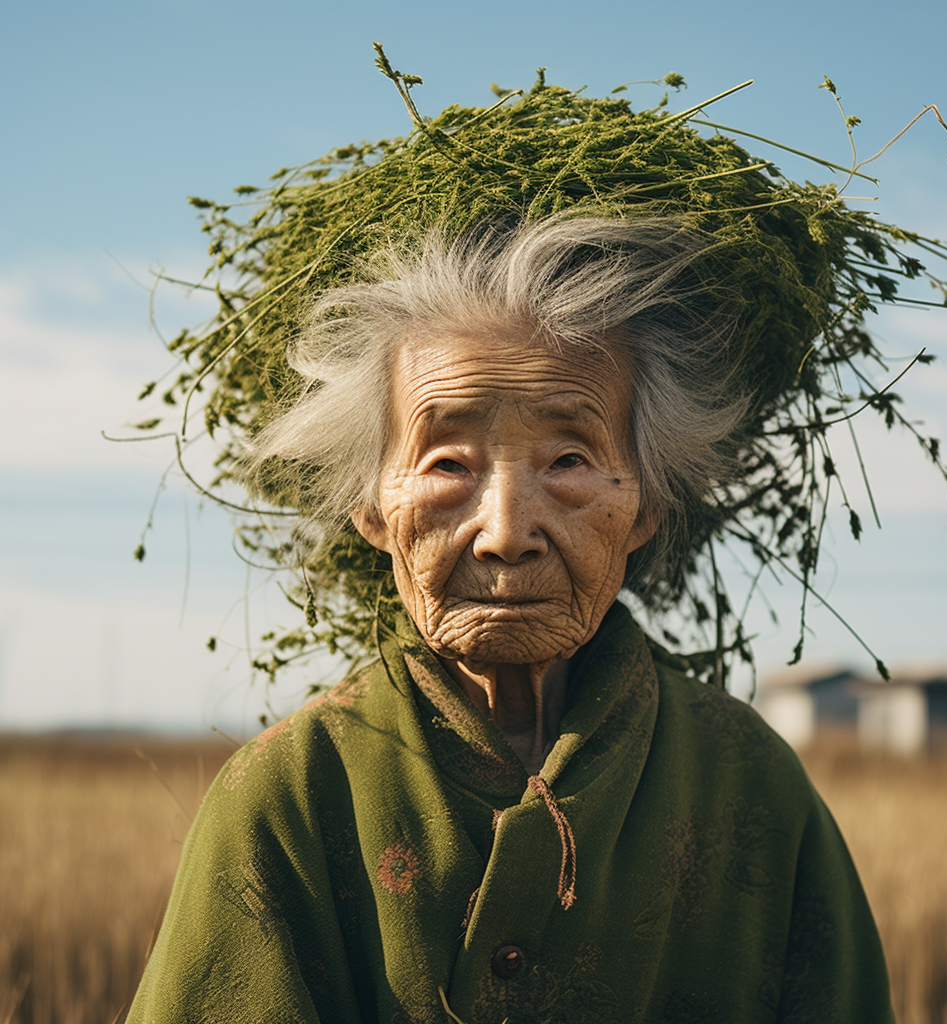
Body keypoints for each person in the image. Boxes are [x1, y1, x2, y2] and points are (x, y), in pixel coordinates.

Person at [127, 217, 895, 1023]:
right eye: (448, 464)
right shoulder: (291, 796)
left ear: (645, 508)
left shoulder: (751, 787)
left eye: (567, 461)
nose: (505, 532)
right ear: (373, 511)